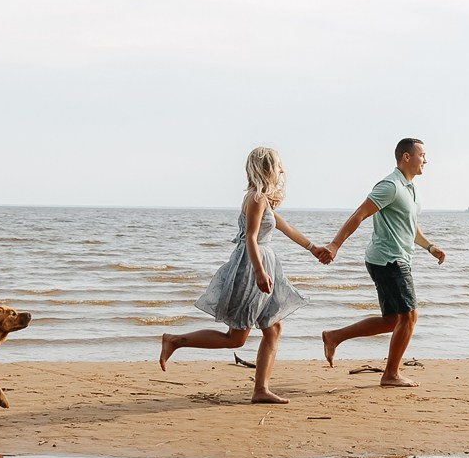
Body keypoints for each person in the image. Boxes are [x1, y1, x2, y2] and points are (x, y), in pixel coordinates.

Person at [159, 147, 331, 404]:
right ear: (268, 167)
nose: (283, 169)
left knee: (273, 328)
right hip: (251, 269)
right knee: (236, 338)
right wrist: (260, 273)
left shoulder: (264, 198)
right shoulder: (256, 198)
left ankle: (261, 389)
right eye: (279, 164)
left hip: (262, 264)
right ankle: (175, 341)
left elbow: (286, 228)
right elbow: (250, 237)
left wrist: (312, 247)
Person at [319, 137, 445, 387]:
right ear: (406, 157)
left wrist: (430, 247)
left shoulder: (410, 189)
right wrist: (335, 245)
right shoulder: (390, 186)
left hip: (396, 258)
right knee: (409, 317)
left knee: (392, 321)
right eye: (422, 155)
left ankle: (334, 336)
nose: (426, 160)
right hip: (389, 260)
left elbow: (410, 226)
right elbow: (359, 214)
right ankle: (390, 374)